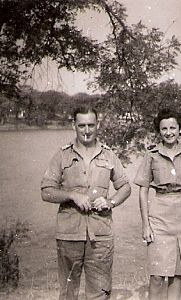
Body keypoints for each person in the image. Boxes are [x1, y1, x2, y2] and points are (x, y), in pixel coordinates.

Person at [41, 106, 131, 300]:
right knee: (68, 294)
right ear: (74, 125)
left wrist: (111, 202)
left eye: (91, 125)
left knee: (100, 293)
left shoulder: (108, 155)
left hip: (101, 236)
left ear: (98, 125)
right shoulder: (62, 155)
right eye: (82, 125)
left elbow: (125, 187)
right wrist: (72, 195)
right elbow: (46, 192)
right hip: (68, 235)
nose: (87, 130)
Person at [134, 108, 181, 300]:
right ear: (159, 131)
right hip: (159, 216)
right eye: (164, 128)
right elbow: (143, 190)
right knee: (157, 275)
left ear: (180, 129)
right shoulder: (152, 155)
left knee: (176, 274)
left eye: (173, 127)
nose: (169, 132)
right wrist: (145, 225)